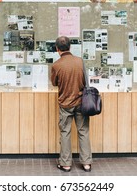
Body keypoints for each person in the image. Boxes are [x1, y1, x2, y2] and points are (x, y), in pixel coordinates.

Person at [51, 36, 92, 172]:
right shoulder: (79, 61)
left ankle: (66, 163)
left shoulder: (56, 65)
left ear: (57, 49)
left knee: (65, 132)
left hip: (65, 103)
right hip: (81, 102)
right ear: (70, 47)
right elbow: (86, 82)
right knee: (83, 131)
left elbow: (54, 83)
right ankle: (86, 163)